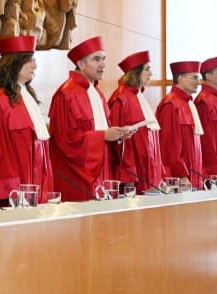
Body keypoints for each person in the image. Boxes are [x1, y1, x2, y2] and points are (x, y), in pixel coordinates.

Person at [48, 36, 131, 201]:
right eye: (96, 59)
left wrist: (118, 136)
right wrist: (103, 136)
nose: (102, 65)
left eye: (103, 59)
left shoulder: (98, 94)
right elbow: (66, 142)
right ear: (80, 64)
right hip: (76, 178)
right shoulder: (66, 94)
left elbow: (104, 134)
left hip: (103, 173)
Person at [0, 35, 52, 204]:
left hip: (35, 189)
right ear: (14, 63)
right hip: (14, 196)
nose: (35, 65)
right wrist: (12, 195)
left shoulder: (27, 96)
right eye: (30, 60)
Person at [107, 50, 163, 193]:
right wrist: (129, 176)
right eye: (147, 69)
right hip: (134, 178)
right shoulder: (121, 99)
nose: (151, 73)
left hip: (149, 174)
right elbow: (118, 144)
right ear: (135, 72)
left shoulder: (139, 96)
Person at [156, 61, 204, 189]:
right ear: (180, 78)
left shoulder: (188, 103)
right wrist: (181, 174)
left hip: (192, 175)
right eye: (194, 77)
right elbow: (169, 145)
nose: (199, 82)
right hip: (179, 180)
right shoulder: (171, 104)